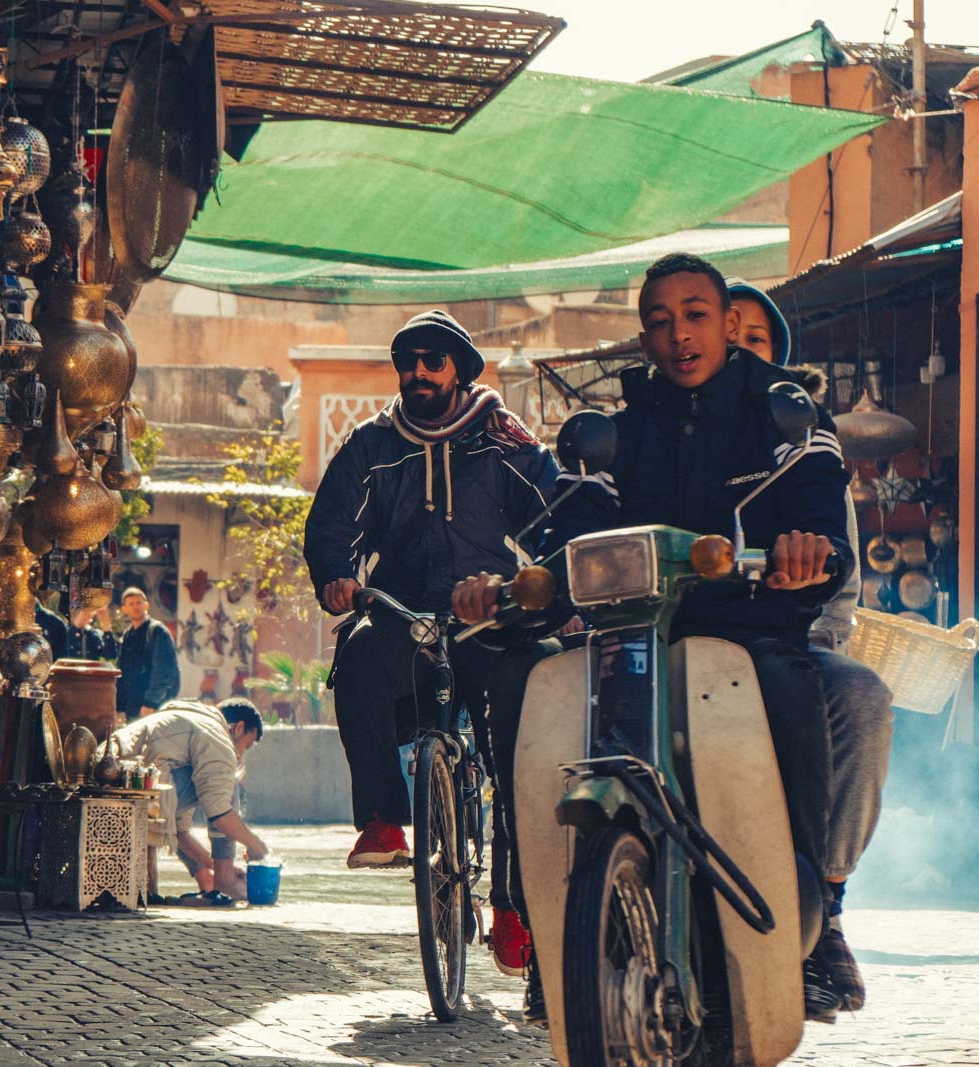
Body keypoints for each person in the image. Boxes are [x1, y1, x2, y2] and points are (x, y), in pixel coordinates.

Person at [453, 253, 855, 1023]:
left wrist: (809, 551)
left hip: (748, 637)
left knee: (790, 687)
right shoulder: (612, 433)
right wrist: (513, 585)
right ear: (644, 337)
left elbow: (822, 517)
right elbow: (570, 535)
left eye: (696, 314)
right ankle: (551, 936)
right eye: (661, 322)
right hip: (629, 640)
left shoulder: (782, 416)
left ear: (726, 323)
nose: (680, 335)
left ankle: (818, 916)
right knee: (537, 707)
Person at [302, 308, 559, 975]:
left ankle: (512, 908)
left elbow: (555, 515)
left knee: (516, 757)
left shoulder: (501, 437)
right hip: (402, 614)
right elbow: (332, 524)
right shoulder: (372, 444)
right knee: (355, 654)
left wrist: (547, 584)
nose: (416, 372)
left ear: (458, 370)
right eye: (406, 361)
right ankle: (384, 819)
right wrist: (335, 576)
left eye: (431, 360)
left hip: (491, 615)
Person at [728, 277, 894, 1013]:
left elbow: (839, 571)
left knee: (861, 695)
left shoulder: (805, 439)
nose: (734, 346)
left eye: (754, 338)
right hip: (671, 644)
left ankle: (824, 903)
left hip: (785, 645)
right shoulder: (655, 422)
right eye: (718, 328)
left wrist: (810, 625)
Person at [108, 697, 267, 905]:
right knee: (228, 784)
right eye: (246, 746)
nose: (241, 755)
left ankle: (211, 879)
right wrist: (257, 846)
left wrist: (209, 865)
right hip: (127, 787)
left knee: (214, 786)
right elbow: (219, 812)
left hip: (114, 780)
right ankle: (225, 878)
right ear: (238, 728)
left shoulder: (187, 721)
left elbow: (179, 831)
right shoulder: (216, 736)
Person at [116, 586, 181, 719]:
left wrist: (151, 703)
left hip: (152, 706)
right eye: (131, 604)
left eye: (139, 602)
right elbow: (123, 671)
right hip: (132, 705)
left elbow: (164, 671)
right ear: (124, 609)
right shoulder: (128, 635)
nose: (136, 607)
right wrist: (120, 706)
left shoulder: (157, 631)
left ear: (146, 605)